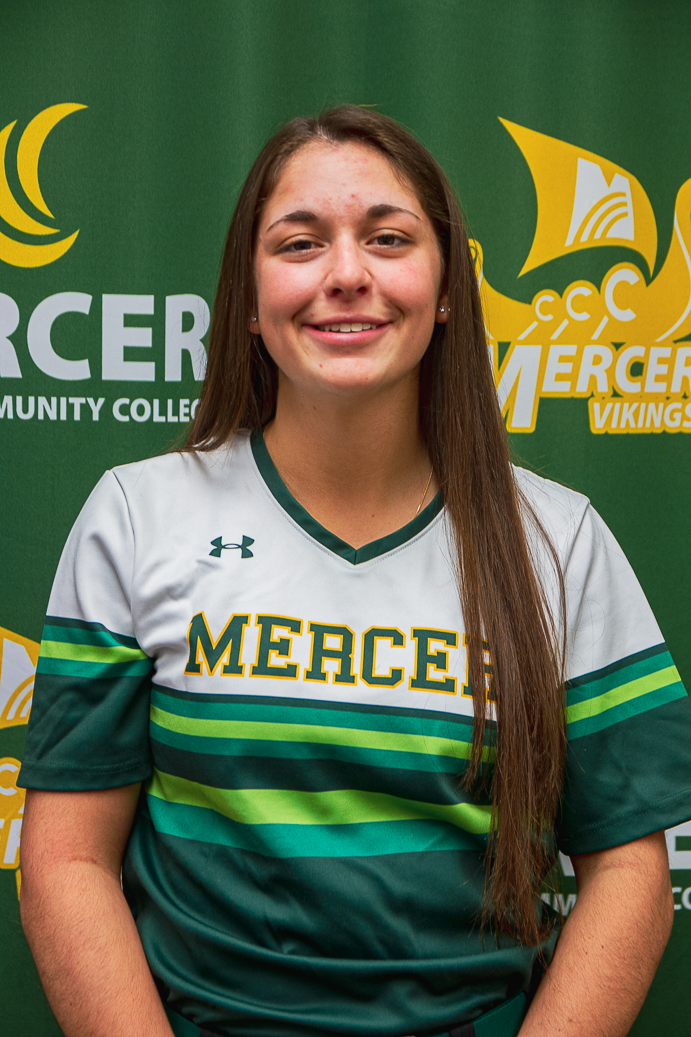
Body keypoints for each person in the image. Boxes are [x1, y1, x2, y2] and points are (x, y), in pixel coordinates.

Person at [18, 106, 691, 1037]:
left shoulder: (558, 539)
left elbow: (628, 874)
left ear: (446, 288)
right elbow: (67, 861)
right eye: (300, 243)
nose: (345, 274)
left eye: (388, 238)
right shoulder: (138, 516)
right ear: (248, 298)